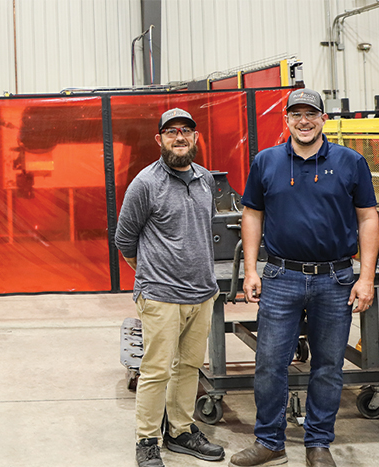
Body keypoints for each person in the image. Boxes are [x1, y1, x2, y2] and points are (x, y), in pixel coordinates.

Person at [230, 88, 379, 467]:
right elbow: (252, 214)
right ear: (286, 120)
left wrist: (366, 276)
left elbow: (367, 217)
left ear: (323, 119)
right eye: (295, 114)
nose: (304, 121)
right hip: (282, 276)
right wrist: (251, 269)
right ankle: (269, 442)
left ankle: (318, 443)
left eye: (311, 113)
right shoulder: (266, 162)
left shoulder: (351, 162)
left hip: (336, 278)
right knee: (269, 363)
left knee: (328, 365)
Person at [115, 108, 225, 467]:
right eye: (172, 132)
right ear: (159, 139)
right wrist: (151, 274)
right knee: (156, 370)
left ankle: (180, 431)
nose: (180, 138)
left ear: (195, 138)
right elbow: (125, 240)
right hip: (160, 295)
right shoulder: (145, 184)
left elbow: (202, 231)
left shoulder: (206, 179)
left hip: (201, 293)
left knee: (189, 367)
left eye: (187, 131)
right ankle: (146, 440)